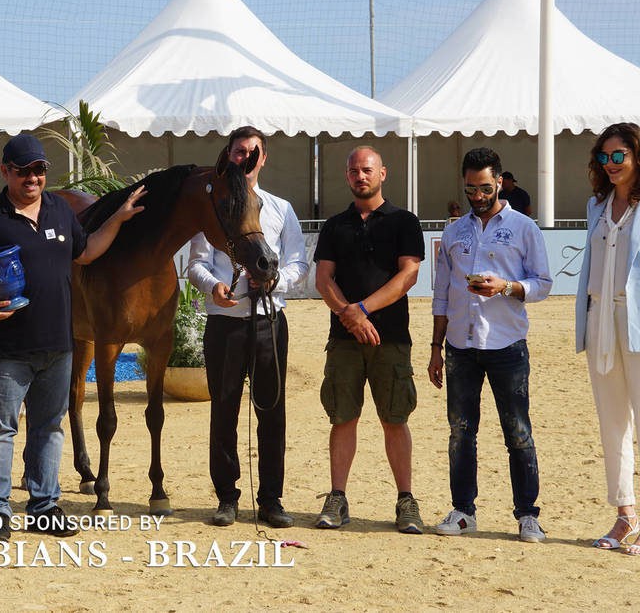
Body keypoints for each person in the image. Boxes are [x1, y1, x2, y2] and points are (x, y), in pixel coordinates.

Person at [0, 133, 145, 543]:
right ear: (6, 171)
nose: (33, 178)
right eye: (23, 170)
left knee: (48, 428)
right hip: (6, 347)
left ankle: (43, 507)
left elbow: (87, 252)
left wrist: (118, 218)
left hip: (58, 346)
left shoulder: (61, 211)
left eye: (39, 169)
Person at [186, 126, 308, 529]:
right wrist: (213, 285)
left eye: (252, 152)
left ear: (263, 158)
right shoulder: (213, 208)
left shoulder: (280, 208)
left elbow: (298, 263)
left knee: (272, 413)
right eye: (239, 152)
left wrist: (277, 281)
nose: (245, 158)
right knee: (223, 412)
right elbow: (196, 265)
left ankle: (271, 499)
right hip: (224, 324)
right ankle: (226, 498)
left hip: (269, 323)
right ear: (229, 156)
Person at [428, 147, 552, 543]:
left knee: (518, 432)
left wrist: (508, 287)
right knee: (460, 432)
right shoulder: (453, 231)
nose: (477, 195)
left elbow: (543, 284)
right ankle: (464, 511)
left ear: (499, 182)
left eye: (484, 187)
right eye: (470, 188)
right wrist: (435, 346)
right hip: (459, 346)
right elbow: (442, 293)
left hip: (506, 344)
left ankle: (527, 515)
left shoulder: (523, 228)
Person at [312, 146, 425, 534]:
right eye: (354, 171)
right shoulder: (335, 225)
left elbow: (408, 276)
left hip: (391, 337)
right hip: (343, 339)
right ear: (347, 176)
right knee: (343, 417)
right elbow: (323, 280)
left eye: (368, 170)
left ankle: (406, 501)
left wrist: (362, 309)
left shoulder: (404, 222)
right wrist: (349, 315)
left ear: (383, 173)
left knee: (394, 418)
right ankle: (337, 497)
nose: (361, 176)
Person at [574, 122, 640, 554]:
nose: (611, 164)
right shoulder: (595, 205)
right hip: (601, 318)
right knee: (611, 422)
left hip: (636, 320)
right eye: (604, 156)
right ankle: (624, 516)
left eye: (619, 156)